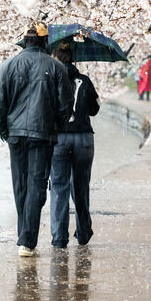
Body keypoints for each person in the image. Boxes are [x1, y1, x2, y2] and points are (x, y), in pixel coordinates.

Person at [0, 23, 74, 257]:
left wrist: (4, 130)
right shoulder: (56, 67)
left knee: (20, 184)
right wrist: (55, 125)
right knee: (37, 185)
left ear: (24, 42)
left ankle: (24, 238)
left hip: (15, 135)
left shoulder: (8, 66)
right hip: (42, 133)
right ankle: (27, 240)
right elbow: (66, 105)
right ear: (45, 43)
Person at [49, 42, 100, 249]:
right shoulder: (85, 81)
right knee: (80, 186)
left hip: (59, 138)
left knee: (59, 188)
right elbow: (94, 110)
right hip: (83, 138)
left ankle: (60, 238)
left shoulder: (51, 79)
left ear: (55, 57)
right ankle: (83, 233)